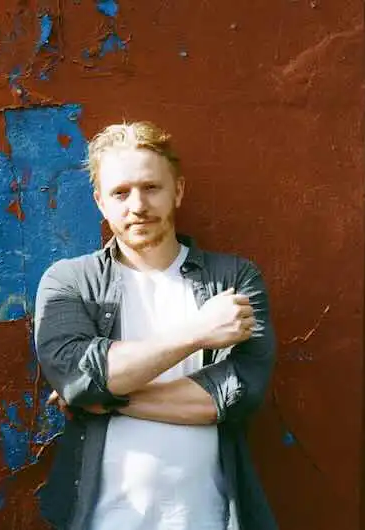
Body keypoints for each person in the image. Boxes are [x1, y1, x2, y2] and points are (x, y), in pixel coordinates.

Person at [34, 121, 276, 530]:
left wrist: (105, 398)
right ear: (100, 202)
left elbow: (236, 396)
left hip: (208, 519)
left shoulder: (234, 279)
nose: (138, 205)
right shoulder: (69, 281)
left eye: (151, 187)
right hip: (102, 521)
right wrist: (197, 332)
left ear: (177, 191)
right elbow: (78, 376)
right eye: (120, 192)